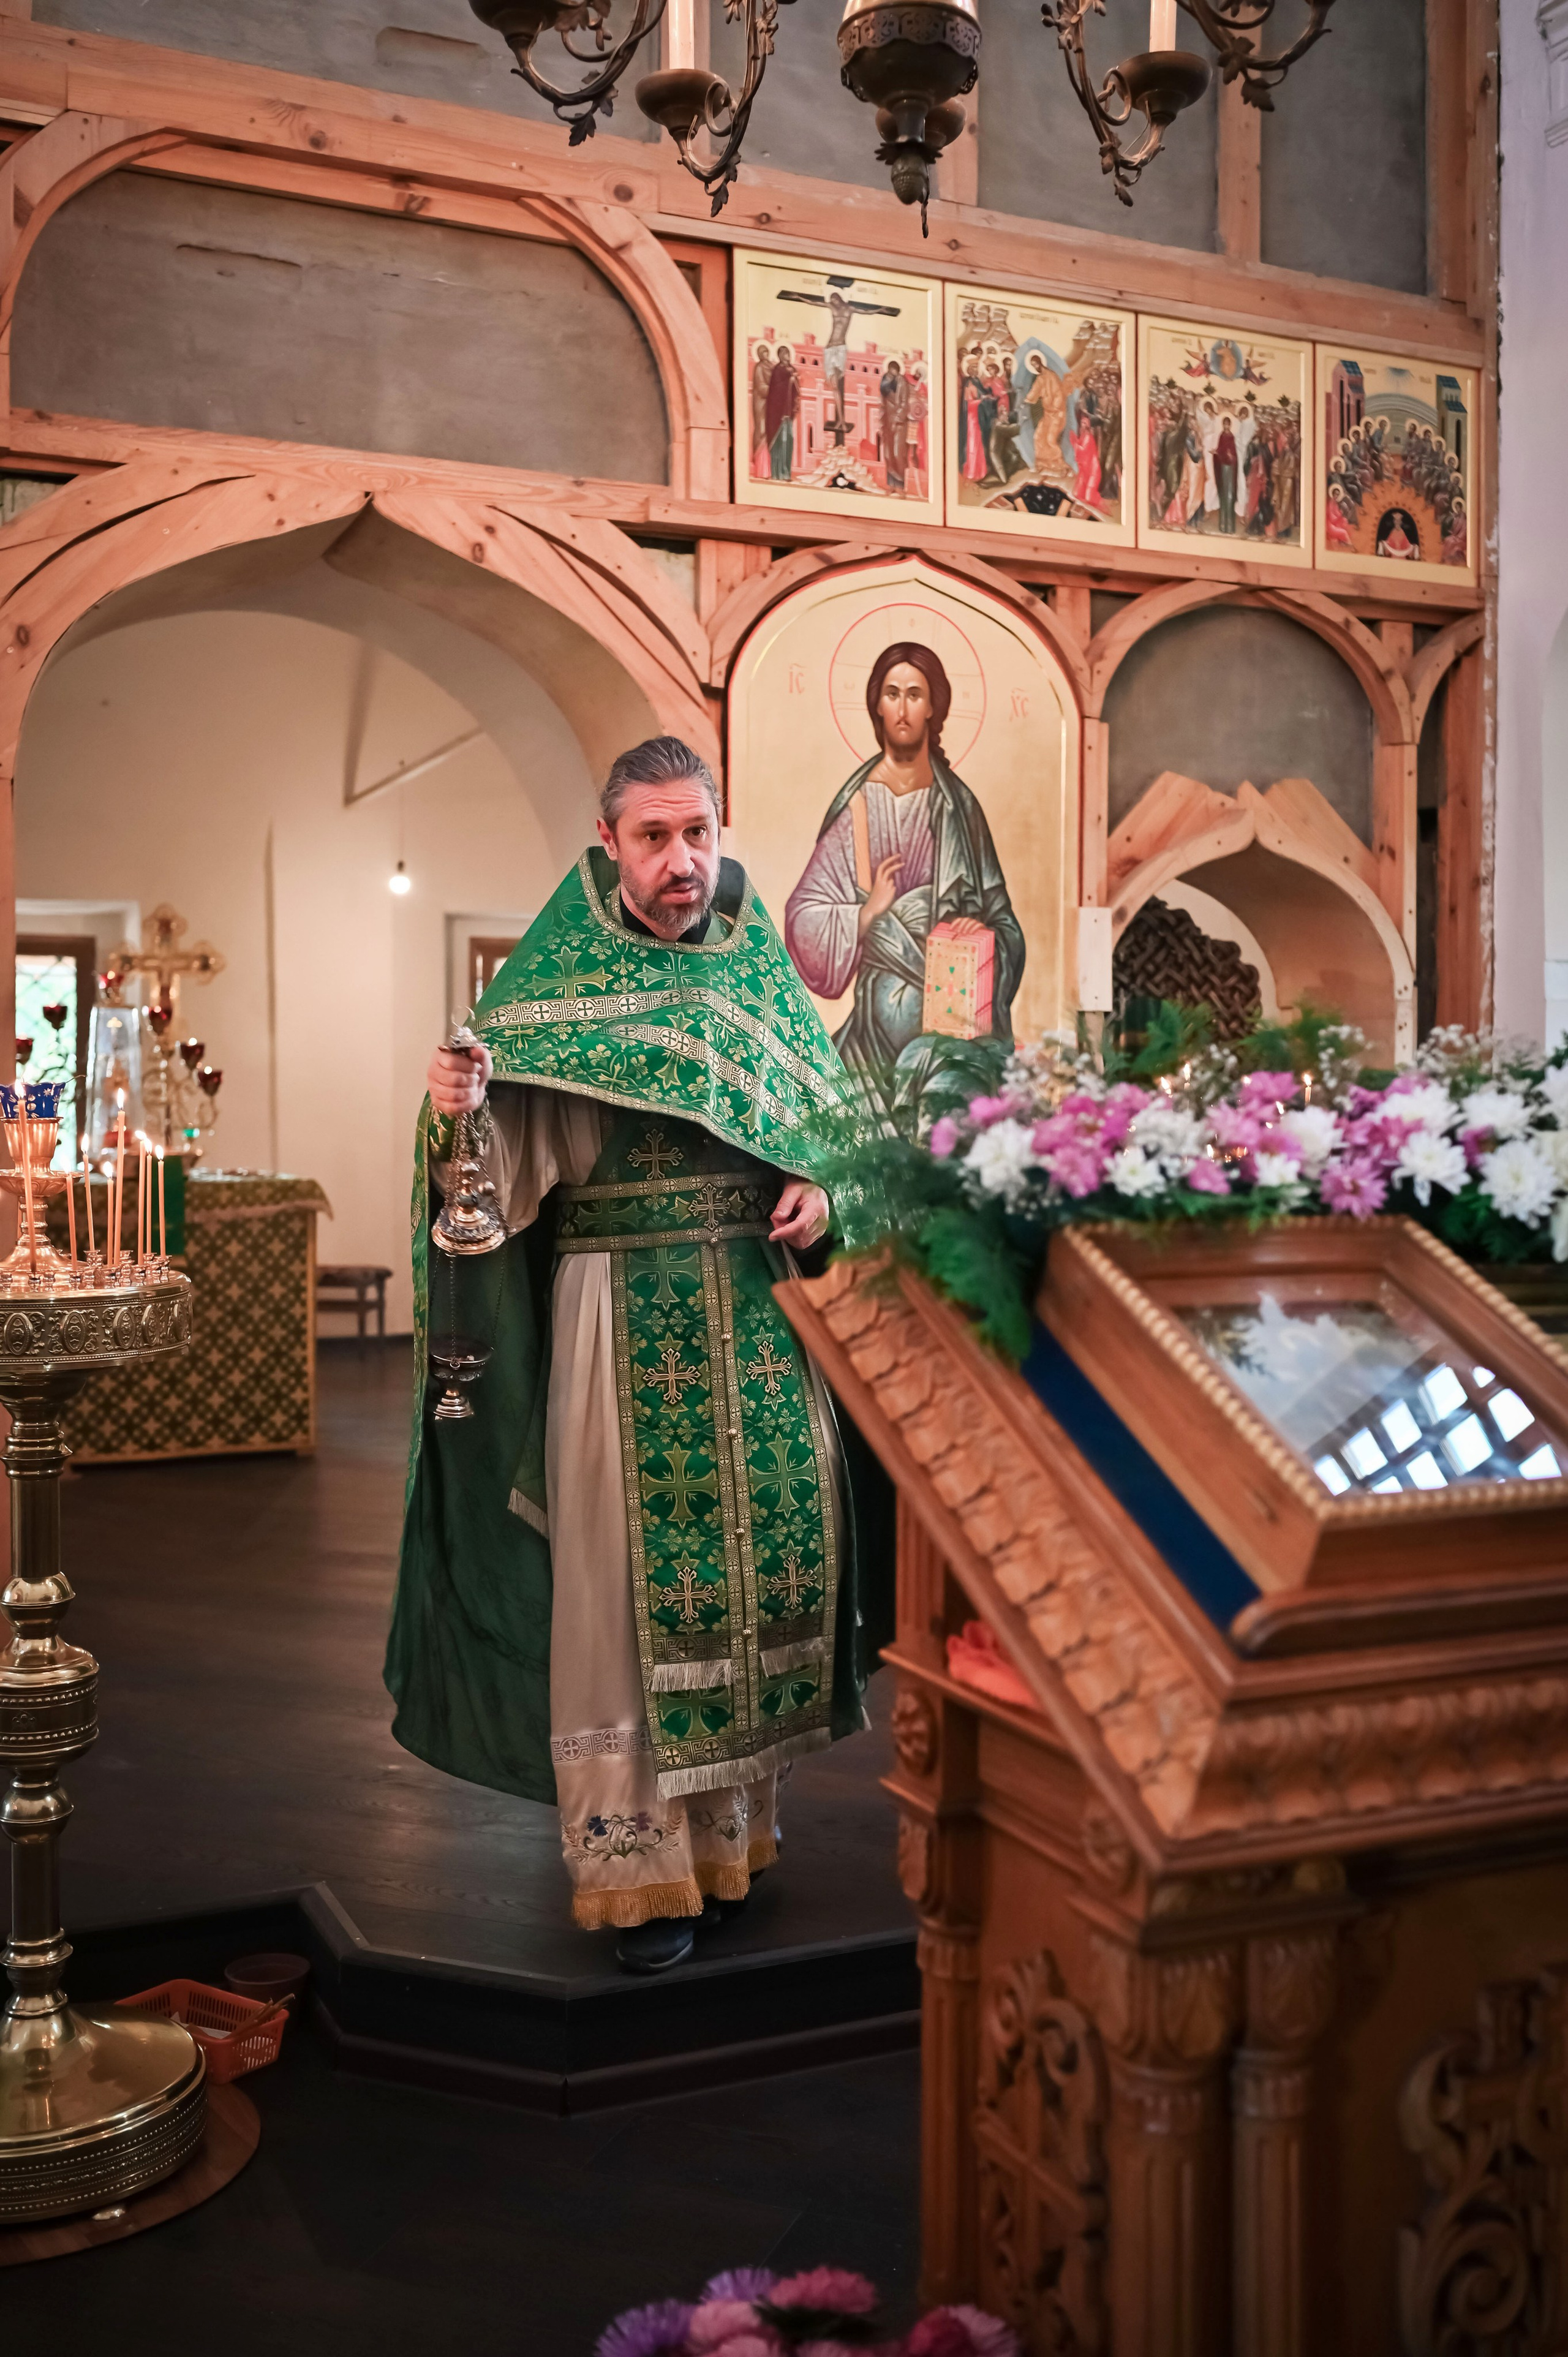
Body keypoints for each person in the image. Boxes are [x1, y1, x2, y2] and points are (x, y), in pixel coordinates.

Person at [388, 738, 876, 1976]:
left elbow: (840, 1139)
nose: (681, 861)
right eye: (653, 837)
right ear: (608, 843)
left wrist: (823, 1192)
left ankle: (730, 1844)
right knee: (617, 1596)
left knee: (752, 1585)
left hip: (758, 1324)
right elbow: (490, 1188)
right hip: (617, 1315)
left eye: (697, 833)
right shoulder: (556, 983)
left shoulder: (758, 972)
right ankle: (639, 1873)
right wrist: (457, 1113)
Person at [784, 642, 1024, 1088]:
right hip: (870, 1040)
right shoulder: (856, 804)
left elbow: (1004, 922)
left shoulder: (959, 809)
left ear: (933, 707)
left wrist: (982, 933)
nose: (902, 708)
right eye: (892, 694)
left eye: (915, 695)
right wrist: (866, 913)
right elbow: (804, 914)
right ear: (877, 704)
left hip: (947, 1038)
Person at [766, 345, 799, 481]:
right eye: (785, 354)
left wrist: (794, 381)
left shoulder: (792, 369)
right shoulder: (777, 370)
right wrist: (788, 381)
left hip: (788, 414)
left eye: (788, 353)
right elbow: (775, 390)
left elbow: (797, 390)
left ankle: (786, 473)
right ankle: (777, 473)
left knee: (789, 441)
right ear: (780, 356)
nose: (787, 356)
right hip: (778, 414)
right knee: (780, 442)